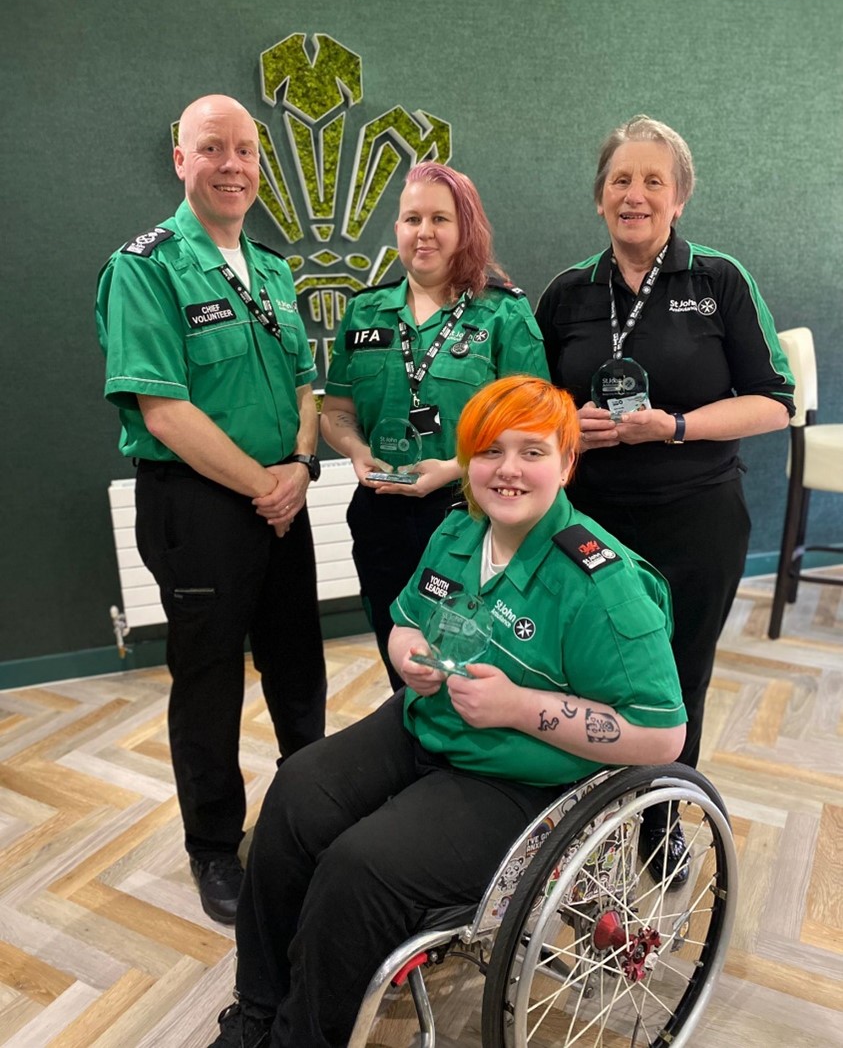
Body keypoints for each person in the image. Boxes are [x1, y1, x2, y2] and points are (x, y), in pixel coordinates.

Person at [209, 375, 686, 1048]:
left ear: (566, 462)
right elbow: (408, 618)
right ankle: (258, 1008)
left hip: (520, 778)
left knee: (361, 866)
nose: (508, 470)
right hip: (427, 724)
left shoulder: (601, 586)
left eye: (531, 451)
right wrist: (407, 652)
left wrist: (521, 707)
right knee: (295, 795)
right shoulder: (460, 531)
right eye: (489, 452)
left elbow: (661, 735)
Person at [536, 113, 794, 877]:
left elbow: (774, 402)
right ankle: (579, 824)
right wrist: (565, 424)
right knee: (584, 673)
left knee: (677, 679)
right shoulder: (566, 293)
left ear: (678, 196)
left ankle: (660, 821)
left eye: (653, 181)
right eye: (621, 180)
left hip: (696, 518)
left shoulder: (718, 281)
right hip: (588, 524)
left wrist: (674, 426)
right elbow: (530, 404)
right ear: (598, 197)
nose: (635, 194)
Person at [95, 94, 327, 924]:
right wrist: (266, 485)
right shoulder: (145, 266)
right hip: (199, 509)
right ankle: (213, 848)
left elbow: (306, 384)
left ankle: (312, 818)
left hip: (284, 496)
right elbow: (164, 411)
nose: (232, 165)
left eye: (245, 152)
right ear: (180, 160)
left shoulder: (270, 268)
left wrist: (299, 465)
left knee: (300, 669)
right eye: (213, 149)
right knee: (209, 684)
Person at [321, 161, 549, 690]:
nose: (423, 232)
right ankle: (415, 755)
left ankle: (470, 765)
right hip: (381, 515)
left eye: (440, 219)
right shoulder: (364, 312)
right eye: (411, 218)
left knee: (472, 663)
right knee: (402, 659)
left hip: (473, 516)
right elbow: (336, 411)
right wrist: (356, 451)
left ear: (465, 228)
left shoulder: (503, 313)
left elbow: (534, 424)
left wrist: (452, 468)